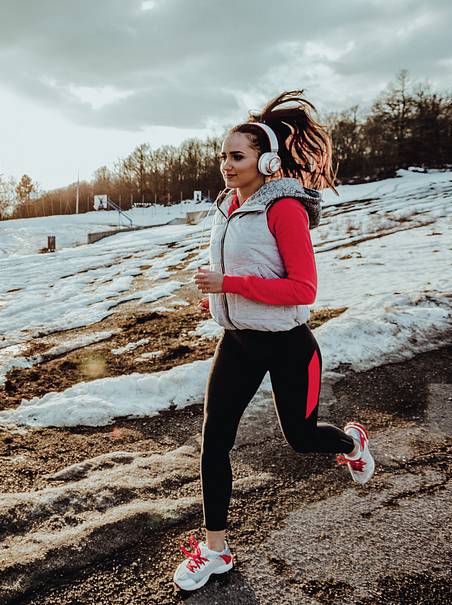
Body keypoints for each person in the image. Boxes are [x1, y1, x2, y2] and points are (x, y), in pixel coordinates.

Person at [172, 90, 375, 592]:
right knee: (214, 439)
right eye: (222, 155)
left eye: (236, 156)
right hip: (238, 341)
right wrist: (217, 302)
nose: (225, 165)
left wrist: (230, 286)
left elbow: (303, 290)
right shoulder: (227, 207)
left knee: (301, 438)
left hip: (288, 344)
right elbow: (245, 269)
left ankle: (352, 442)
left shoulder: (284, 208)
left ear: (265, 161)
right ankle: (215, 549)